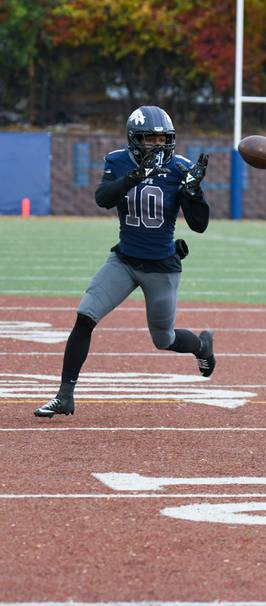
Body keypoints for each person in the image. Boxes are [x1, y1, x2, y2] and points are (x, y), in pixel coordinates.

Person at [34, 105, 215, 418]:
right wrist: (136, 175)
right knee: (85, 316)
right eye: (150, 139)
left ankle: (201, 347)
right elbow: (103, 198)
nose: (158, 146)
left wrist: (194, 192)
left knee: (164, 339)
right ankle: (65, 395)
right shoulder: (118, 161)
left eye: (163, 140)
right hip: (125, 261)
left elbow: (199, 225)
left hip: (161, 266)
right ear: (134, 140)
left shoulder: (180, 168)